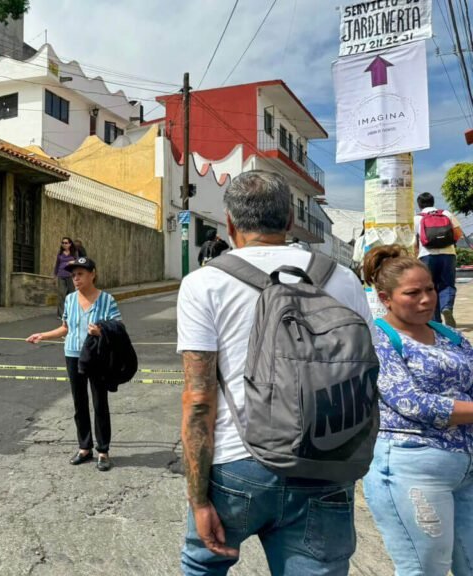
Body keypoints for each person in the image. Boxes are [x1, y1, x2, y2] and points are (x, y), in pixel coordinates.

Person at [176, 171, 372, 574]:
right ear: (288, 222)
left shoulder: (204, 284)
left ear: (229, 223)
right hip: (327, 459)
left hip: (238, 464)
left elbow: (199, 400)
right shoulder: (344, 279)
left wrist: (198, 500)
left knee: (203, 567)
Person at [360, 245, 473, 576]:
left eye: (430, 289)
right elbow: (412, 402)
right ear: (386, 299)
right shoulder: (379, 339)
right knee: (424, 570)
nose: (426, 299)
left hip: (465, 469)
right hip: (414, 470)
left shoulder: (448, 335)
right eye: (413, 293)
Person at [26, 256, 122, 472]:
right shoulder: (69, 299)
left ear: (92, 274)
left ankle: (103, 451)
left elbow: (118, 327)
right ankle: (84, 447)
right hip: (72, 355)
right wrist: (43, 335)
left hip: (97, 356)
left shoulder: (107, 299)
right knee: (79, 403)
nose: (76, 278)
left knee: (99, 403)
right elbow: (65, 328)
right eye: (74, 275)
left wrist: (101, 330)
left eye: (80, 274)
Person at [414, 192, 464, 327]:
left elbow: (413, 243)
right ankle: (446, 308)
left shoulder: (417, 219)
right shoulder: (446, 213)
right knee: (447, 284)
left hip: (426, 256)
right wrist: (447, 242)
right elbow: (458, 233)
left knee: (430, 287)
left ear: (419, 205)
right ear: (433, 202)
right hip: (448, 254)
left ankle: (436, 323)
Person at [53, 237, 78, 318]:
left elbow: (79, 262)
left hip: (71, 276)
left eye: (66, 243)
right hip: (61, 276)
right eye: (63, 243)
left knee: (72, 295)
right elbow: (57, 265)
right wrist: (55, 275)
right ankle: (61, 314)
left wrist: (73, 261)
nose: (64, 244)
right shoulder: (60, 254)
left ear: (70, 244)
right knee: (61, 295)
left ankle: (71, 313)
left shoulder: (74, 253)